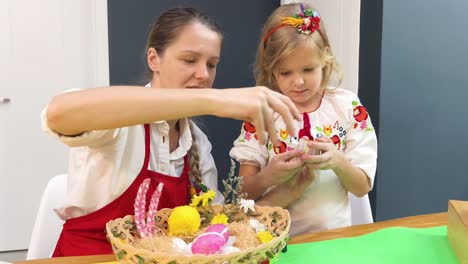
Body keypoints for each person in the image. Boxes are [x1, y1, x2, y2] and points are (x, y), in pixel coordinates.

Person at [42, 7, 301, 257]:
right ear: (154, 59)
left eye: (212, 64)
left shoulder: (197, 143)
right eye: (189, 60)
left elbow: (214, 226)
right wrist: (214, 100)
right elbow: (59, 113)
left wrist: (283, 186)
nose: (203, 74)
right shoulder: (120, 123)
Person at [230, 3, 378, 237]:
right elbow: (241, 193)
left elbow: (361, 187)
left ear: (326, 58)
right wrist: (269, 176)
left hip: (333, 240)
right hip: (275, 240)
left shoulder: (347, 107)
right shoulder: (263, 113)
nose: (298, 81)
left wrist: (338, 160)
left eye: (308, 69)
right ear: (270, 69)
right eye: (286, 73)